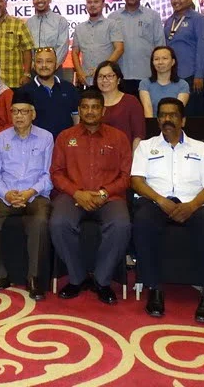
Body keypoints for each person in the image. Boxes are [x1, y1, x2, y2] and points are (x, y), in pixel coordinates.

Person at [130, 97, 204, 323]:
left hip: (194, 203)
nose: (167, 119)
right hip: (156, 201)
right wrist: (160, 200)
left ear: (183, 120)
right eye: (162, 115)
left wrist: (192, 206)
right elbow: (137, 181)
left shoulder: (200, 148)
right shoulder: (145, 146)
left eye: (172, 115)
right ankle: (155, 288)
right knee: (142, 221)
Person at [49, 90, 132, 304]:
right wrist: (77, 193)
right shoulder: (66, 137)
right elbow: (56, 173)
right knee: (58, 223)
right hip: (73, 195)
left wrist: (104, 192)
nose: (90, 111)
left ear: (103, 110)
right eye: (85, 107)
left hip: (109, 197)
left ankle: (102, 281)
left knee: (121, 225)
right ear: (79, 110)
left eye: (95, 107)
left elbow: (126, 176)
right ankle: (77, 278)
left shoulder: (119, 138)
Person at [0, 91, 53, 301]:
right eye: (15, 112)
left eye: (24, 112)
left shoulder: (46, 138)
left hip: (35, 194)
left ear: (33, 114)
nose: (19, 116)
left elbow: (48, 174)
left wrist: (30, 192)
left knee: (40, 220)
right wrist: (6, 194)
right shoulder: (1, 139)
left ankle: (34, 277)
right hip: (6, 195)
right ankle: (0, 273)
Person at [164, 0, 204, 116]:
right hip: (172, 77)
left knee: (192, 115)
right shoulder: (169, 21)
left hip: (192, 77)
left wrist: (199, 75)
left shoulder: (199, 20)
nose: (176, 1)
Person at [16, 47, 79, 139]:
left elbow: (76, 119)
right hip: (36, 148)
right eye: (39, 61)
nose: (44, 65)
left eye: (49, 61)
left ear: (56, 64)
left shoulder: (69, 89)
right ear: (34, 65)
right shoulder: (24, 92)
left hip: (64, 145)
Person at [116, 0, 165, 97]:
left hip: (147, 75)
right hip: (121, 76)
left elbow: (160, 45)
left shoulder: (153, 16)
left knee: (147, 113)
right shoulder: (113, 17)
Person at [72, 0, 124, 87]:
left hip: (107, 79)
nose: (92, 5)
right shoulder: (79, 28)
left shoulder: (112, 24)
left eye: (96, 2)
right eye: (89, 2)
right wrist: (79, 72)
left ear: (103, 4)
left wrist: (102, 69)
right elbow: (75, 52)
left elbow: (119, 49)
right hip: (86, 80)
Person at [94, 61, 145, 151]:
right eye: (100, 76)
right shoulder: (91, 102)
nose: (104, 80)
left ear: (118, 80)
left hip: (123, 157)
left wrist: (135, 161)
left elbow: (138, 136)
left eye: (109, 76)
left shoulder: (131, 102)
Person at [139, 46, 190, 119]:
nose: (160, 62)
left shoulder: (183, 85)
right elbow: (148, 111)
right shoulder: (145, 83)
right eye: (156, 59)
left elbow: (176, 111)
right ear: (152, 62)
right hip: (152, 125)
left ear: (173, 62)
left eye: (165, 58)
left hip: (174, 125)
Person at [26, 0, 70, 69]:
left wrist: (52, 65)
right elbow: (27, 48)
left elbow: (62, 46)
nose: (39, 0)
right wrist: (32, 65)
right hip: (34, 69)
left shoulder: (60, 21)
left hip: (55, 69)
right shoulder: (29, 23)